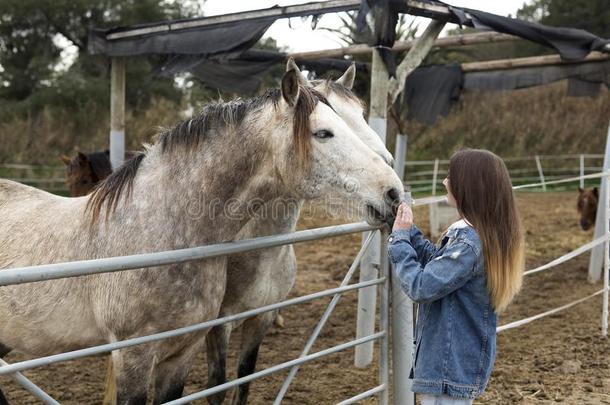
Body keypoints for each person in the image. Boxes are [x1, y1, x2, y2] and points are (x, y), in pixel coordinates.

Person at [388, 148, 525, 404]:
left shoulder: (469, 244)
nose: (445, 181)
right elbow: (438, 267)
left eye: (451, 176)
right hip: (452, 366)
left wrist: (399, 242)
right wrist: (407, 230)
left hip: (448, 369)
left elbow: (421, 286)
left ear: (469, 186)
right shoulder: (476, 235)